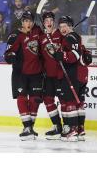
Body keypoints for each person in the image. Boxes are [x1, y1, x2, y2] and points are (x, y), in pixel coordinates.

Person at [4, 11, 43, 141]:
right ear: (22, 22)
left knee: (34, 100)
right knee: (22, 98)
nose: (28, 23)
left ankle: (30, 127)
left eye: (30, 21)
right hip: (20, 74)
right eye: (26, 21)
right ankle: (26, 127)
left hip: (36, 73)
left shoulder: (37, 32)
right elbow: (7, 54)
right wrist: (11, 57)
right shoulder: (15, 35)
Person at [53, 16, 85, 142]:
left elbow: (75, 55)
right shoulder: (69, 37)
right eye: (60, 27)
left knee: (70, 101)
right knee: (73, 102)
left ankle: (72, 130)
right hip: (73, 73)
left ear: (71, 26)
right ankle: (79, 130)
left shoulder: (71, 37)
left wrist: (62, 55)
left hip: (72, 73)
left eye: (65, 26)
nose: (62, 28)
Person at [40, 11, 63, 140]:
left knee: (65, 101)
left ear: (54, 21)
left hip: (61, 74)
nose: (49, 22)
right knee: (48, 100)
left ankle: (68, 127)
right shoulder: (42, 38)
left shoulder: (60, 34)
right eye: (46, 21)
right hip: (48, 76)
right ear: (43, 23)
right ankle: (57, 125)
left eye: (50, 20)